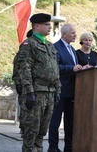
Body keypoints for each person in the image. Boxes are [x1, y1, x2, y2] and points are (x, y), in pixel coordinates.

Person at [18, 13, 61, 152]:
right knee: (31, 132)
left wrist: (57, 90)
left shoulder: (49, 45)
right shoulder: (28, 44)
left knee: (42, 132)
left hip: (49, 94)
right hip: (36, 93)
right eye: (46, 25)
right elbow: (25, 69)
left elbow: (55, 69)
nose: (50, 27)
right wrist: (29, 91)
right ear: (37, 26)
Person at [47, 24, 83, 152]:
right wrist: (71, 68)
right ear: (64, 34)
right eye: (72, 33)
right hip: (60, 90)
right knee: (55, 121)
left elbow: (74, 67)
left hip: (72, 92)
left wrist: (82, 69)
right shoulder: (55, 47)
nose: (75, 35)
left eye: (75, 32)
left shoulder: (72, 50)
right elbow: (55, 68)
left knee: (70, 122)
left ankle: (69, 147)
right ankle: (53, 147)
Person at [12, 29, 33, 138]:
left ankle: (27, 128)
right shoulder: (24, 50)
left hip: (32, 85)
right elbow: (17, 68)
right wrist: (18, 83)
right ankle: (24, 128)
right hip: (23, 84)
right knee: (25, 108)